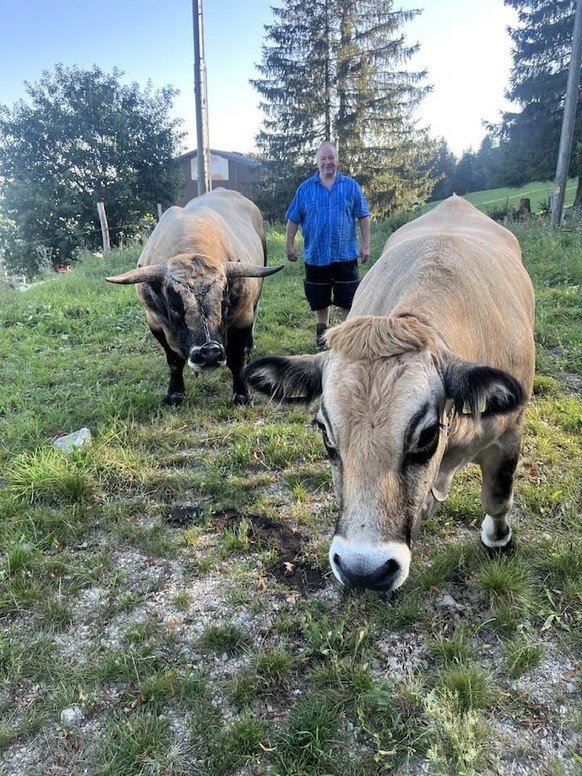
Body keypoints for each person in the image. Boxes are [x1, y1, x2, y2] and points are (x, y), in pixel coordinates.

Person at [285, 141, 371, 349]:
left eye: (331, 157)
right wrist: (289, 245)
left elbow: (363, 216)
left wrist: (366, 244)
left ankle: (348, 335)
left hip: (345, 254)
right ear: (317, 161)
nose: (327, 162)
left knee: (347, 298)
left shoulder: (350, 186)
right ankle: (322, 334)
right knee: (319, 298)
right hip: (316, 255)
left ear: (337, 159)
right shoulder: (305, 189)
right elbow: (293, 219)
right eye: (323, 158)